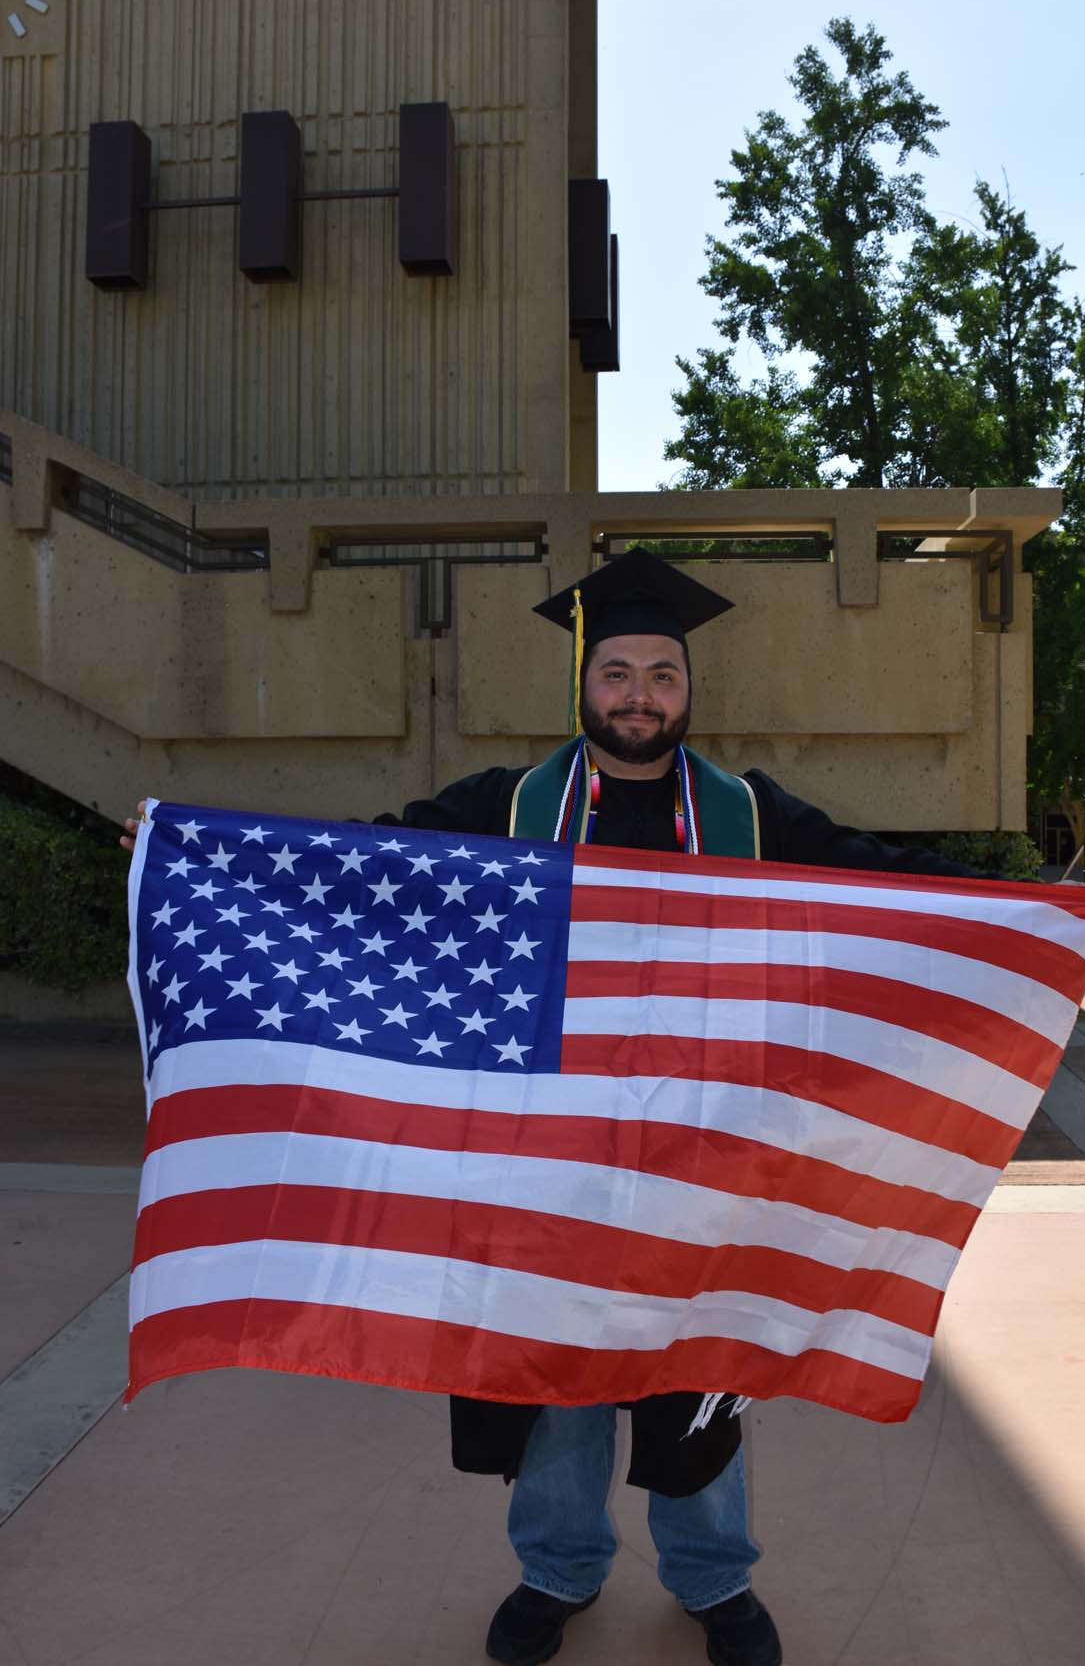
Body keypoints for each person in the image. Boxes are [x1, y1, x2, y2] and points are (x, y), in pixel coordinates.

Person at [381, 548, 982, 1666]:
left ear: (688, 689)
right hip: (550, 1161)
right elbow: (375, 859)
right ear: (584, 683)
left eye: (662, 673)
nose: (640, 695)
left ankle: (714, 1579)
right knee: (556, 1379)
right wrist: (189, 852)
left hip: (703, 1165)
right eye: (618, 672)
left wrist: (1015, 907)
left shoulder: (745, 813)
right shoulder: (511, 806)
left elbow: (873, 874)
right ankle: (555, 1569)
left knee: (700, 1372)